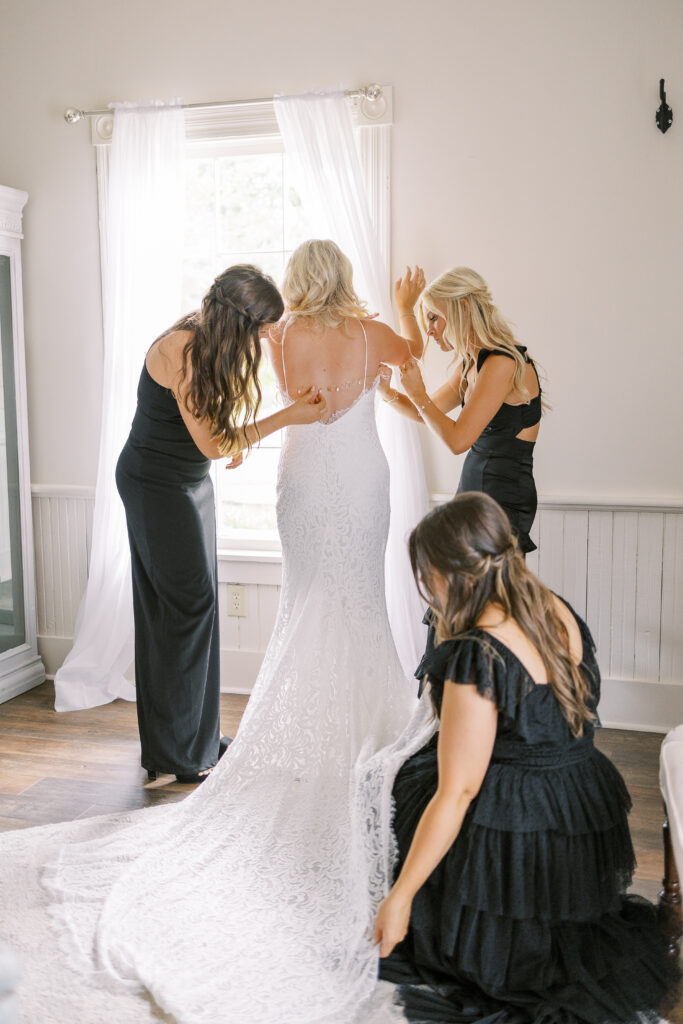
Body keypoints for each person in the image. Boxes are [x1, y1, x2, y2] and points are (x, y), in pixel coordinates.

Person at [2, 240, 436, 1023]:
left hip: (272, 481)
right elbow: (405, 359)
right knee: (232, 603)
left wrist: (287, 359)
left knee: (257, 604)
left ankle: (193, 745)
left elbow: (258, 397)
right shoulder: (307, 337)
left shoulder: (275, 338)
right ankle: (180, 750)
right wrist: (398, 315)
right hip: (197, 476)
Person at [373, 492, 679, 1024]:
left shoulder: (478, 652)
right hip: (579, 802)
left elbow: (459, 792)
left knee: (410, 785)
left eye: (427, 575)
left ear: (451, 574)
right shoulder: (553, 607)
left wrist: (400, 897)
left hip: (525, 816)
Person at [115, 264, 327, 785]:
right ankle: (174, 756)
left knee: (192, 606)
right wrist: (287, 418)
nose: (263, 339)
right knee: (185, 608)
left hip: (190, 482)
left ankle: (197, 738)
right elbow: (215, 442)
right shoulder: (182, 349)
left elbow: (210, 434)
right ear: (239, 320)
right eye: (261, 329)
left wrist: (228, 440)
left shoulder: (210, 341)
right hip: (157, 484)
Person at [380, 267, 542, 554]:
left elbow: (457, 440)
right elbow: (424, 413)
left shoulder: (502, 363)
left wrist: (418, 394)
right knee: (458, 595)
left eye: (433, 317)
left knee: (491, 595)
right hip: (473, 491)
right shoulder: (471, 363)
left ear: (463, 309)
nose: (429, 330)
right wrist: (386, 392)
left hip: (501, 499)